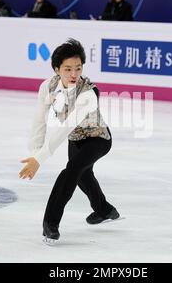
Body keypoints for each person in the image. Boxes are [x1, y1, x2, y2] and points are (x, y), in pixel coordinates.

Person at [19, 39, 119, 244]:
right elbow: (40, 119)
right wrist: (35, 152)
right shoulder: (47, 87)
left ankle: (50, 224)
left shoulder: (88, 94)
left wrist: (40, 160)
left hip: (98, 138)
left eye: (78, 68)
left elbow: (65, 128)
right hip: (76, 139)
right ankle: (105, 211)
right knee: (84, 176)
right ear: (56, 69)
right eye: (67, 69)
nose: (74, 74)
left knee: (72, 171)